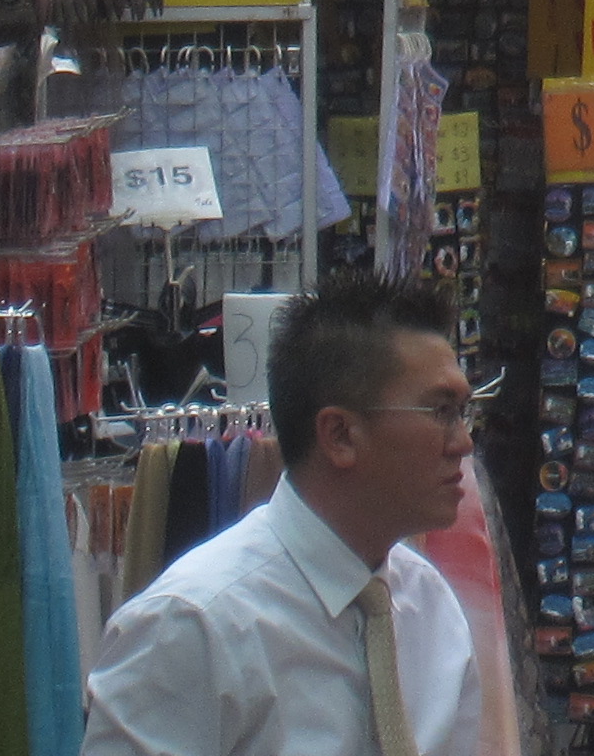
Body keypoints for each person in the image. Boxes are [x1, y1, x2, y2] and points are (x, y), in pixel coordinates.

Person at [81, 272, 485, 755]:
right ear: (339, 435)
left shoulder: (429, 605)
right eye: (440, 411)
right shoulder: (193, 626)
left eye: (465, 410)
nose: (463, 442)